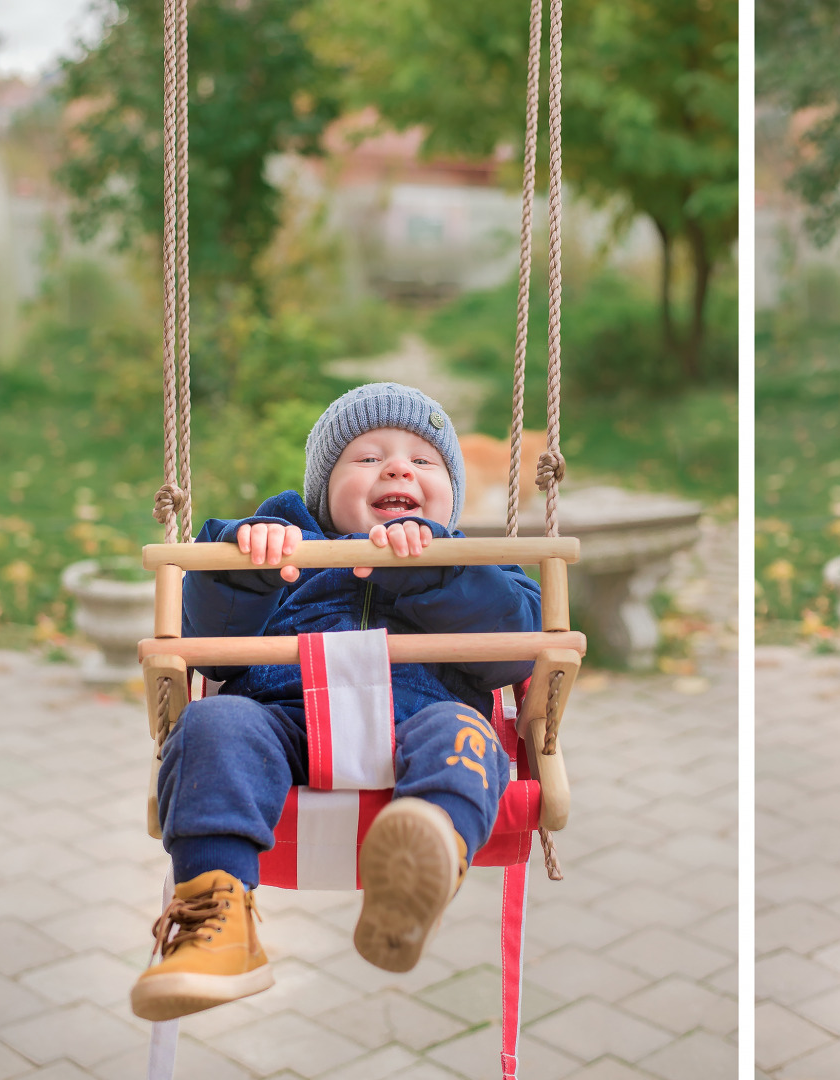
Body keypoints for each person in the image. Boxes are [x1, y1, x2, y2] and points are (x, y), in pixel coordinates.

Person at [130, 383, 541, 1022]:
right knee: (214, 721)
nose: (399, 467)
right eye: (369, 457)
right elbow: (207, 649)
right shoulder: (281, 545)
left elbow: (516, 650)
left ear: (450, 501)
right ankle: (218, 920)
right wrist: (246, 565)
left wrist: (436, 568)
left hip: (424, 719)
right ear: (323, 493)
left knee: (464, 735)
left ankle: (426, 851)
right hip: (285, 724)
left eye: (423, 462)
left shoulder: (472, 561)